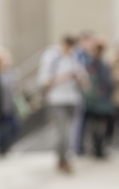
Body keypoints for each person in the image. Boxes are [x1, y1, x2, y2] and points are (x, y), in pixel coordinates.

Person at [37, 35, 88, 173]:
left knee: (71, 131)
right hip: (57, 99)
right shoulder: (51, 58)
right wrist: (65, 77)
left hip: (73, 99)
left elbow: (85, 83)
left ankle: (64, 157)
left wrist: (79, 79)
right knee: (62, 131)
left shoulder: (75, 59)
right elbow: (43, 81)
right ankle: (63, 159)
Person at [0, 48, 18, 155]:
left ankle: (6, 146)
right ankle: (1, 149)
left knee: (14, 127)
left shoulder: (7, 74)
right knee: (0, 130)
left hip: (9, 106)